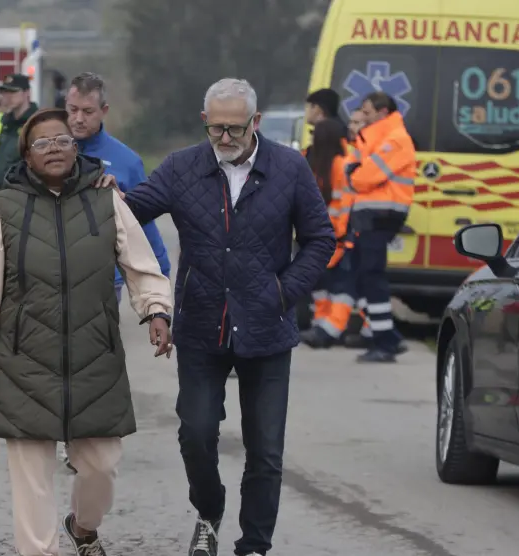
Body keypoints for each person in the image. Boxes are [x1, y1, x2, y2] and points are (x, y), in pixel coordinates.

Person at [100, 78, 334, 556]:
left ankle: (254, 544)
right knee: (196, 434)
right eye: (217, 129)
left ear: (256, 123)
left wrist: (283, 293)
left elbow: (320, 239)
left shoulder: (288, 167)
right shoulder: (183, 167)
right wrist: (107, 195)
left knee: (265, 451)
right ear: (204, 122)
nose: (226, 139)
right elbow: (134, 210)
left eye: (236, 129)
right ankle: (209, 510)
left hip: (267, 328)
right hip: (203, 325)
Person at [0, 108, 174, 556]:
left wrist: (156, 310)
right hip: (25, 358)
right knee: (31, 479)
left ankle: (83, 525)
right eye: (41, 143)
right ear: (27, 156)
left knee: (102, 465)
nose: (53, 149)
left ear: (76, 148)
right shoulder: (6, 209)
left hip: (95, 355)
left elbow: (140, 263)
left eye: (61, 140)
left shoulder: (107, 200)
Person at [66, 72, 172, 301]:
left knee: (97, 337)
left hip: (104, 281)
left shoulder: (127, 161)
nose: (78, 119)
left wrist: (160, 274)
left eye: (88, 111)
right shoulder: (49, 152)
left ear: (104, 111)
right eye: (73, 110)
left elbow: (143, 222)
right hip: (54, 277)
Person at [343, 91, 416, 363]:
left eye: (366, 110)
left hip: (381, 214)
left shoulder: (394, 138)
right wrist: (355, 172)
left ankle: (385, 342)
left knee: (370, 275)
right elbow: (351, 169)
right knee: (361, 275)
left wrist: (356, 174)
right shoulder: (377, 136)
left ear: (382, 111)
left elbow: (364, 177)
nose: (363, 116)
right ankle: (387, 337)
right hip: (370, 214)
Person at [297, 119, 354, 348]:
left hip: (326, 235)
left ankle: (326, 329)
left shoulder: (323, 165)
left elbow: (342, 202)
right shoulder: (333, 164)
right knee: (329, 285)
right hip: (331, 235)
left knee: (332, 286)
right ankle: (323, 328)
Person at [0, 74, 38, 193]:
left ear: (27, 93)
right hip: (2, 191)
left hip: (23, 193)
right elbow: (0, 156)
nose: (8, 97)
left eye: (13, 92)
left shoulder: (36, 122)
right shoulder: (6, 123)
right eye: (5, 92)